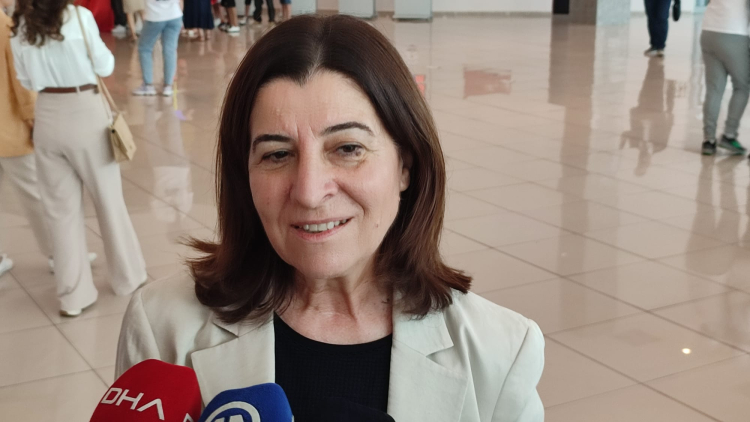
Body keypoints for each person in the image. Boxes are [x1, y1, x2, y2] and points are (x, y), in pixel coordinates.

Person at [116, 15, 545, 422]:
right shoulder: (162, 327)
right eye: (277, 154)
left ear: (405, 165)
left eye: (347, 148)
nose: (308, 191)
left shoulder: (501, 352)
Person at [11, 0, 148, 317]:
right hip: (85, 110)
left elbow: (26, 81)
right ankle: (127, 276)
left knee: (60, 211)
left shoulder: (21, 26)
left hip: (47, 115)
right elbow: (105, 66)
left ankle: (72, 296)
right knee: (108, 200)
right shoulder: (78, 16)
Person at [699, 0, 750, 156]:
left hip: (708, 31)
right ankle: (729, 135)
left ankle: (709, 141)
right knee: (742, 87)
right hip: (734, 33)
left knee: (714, 89)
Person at [132, 0, 183, 96]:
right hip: (175, 15)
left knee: (145, 48)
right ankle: (168, 86)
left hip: (154, 16)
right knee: (170, 50)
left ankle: (148, 85)